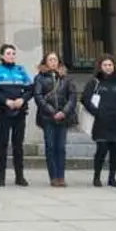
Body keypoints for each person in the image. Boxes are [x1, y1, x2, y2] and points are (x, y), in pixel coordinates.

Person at [0, 43, 33, 187]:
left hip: (19, 112)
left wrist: (22, 99)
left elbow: (30, 89)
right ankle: (1, 176)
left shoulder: (21, 70)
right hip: (3, 112)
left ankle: (20, 176)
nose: (11, 56)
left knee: (18, 145)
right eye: (8, 53)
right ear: (2, 56)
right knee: (3, 144)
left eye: (13, 53)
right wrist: (6, 101)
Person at [81, 54, 116, 188]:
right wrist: (96, 112)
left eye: (110, 65)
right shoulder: (94, 82)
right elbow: (85, 99)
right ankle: (96, 177)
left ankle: (112, 178)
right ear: (100, 67)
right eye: (105, 65)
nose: (108, 68)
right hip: (101, 121)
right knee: (101, 149)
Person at [34, 51, 77, 187]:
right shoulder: (40, 78)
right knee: (50, 146)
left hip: (63, 117)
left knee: (61, 147)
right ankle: (53, 176)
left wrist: (64, 111)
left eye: (55, 59)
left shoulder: (66, 78)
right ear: (45, 62)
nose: (53, 62)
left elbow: (72, 96)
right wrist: (52, 111)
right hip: (48, 117)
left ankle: (61, 176)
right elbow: (38, 96)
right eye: (50, 59)